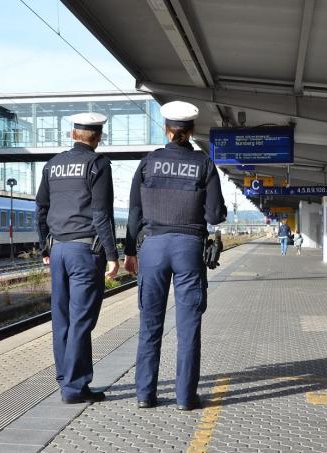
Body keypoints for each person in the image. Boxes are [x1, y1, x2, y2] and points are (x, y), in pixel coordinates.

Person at [123, 100, 227, 411]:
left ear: (167, 130)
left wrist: (130, 252)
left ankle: (145, 394)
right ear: (191, 131)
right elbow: (215, 215)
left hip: (152, 248)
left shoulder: (147, 163)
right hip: (188, 248)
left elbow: (134, 212)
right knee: (188, 326)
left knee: (150, 324)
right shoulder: (204, 165)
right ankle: (185, 398)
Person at [36, 112, 119, 404]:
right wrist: (112, 254)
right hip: (85, 251)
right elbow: (101, 213)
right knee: (81, 320)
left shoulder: (53, 165)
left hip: (57, 250)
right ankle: (74, 387)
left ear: (73, 135)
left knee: (62, 320)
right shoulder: (98, 165)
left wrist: (45, 248)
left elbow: (41, 209)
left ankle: (66, 380)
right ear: (97, 137)